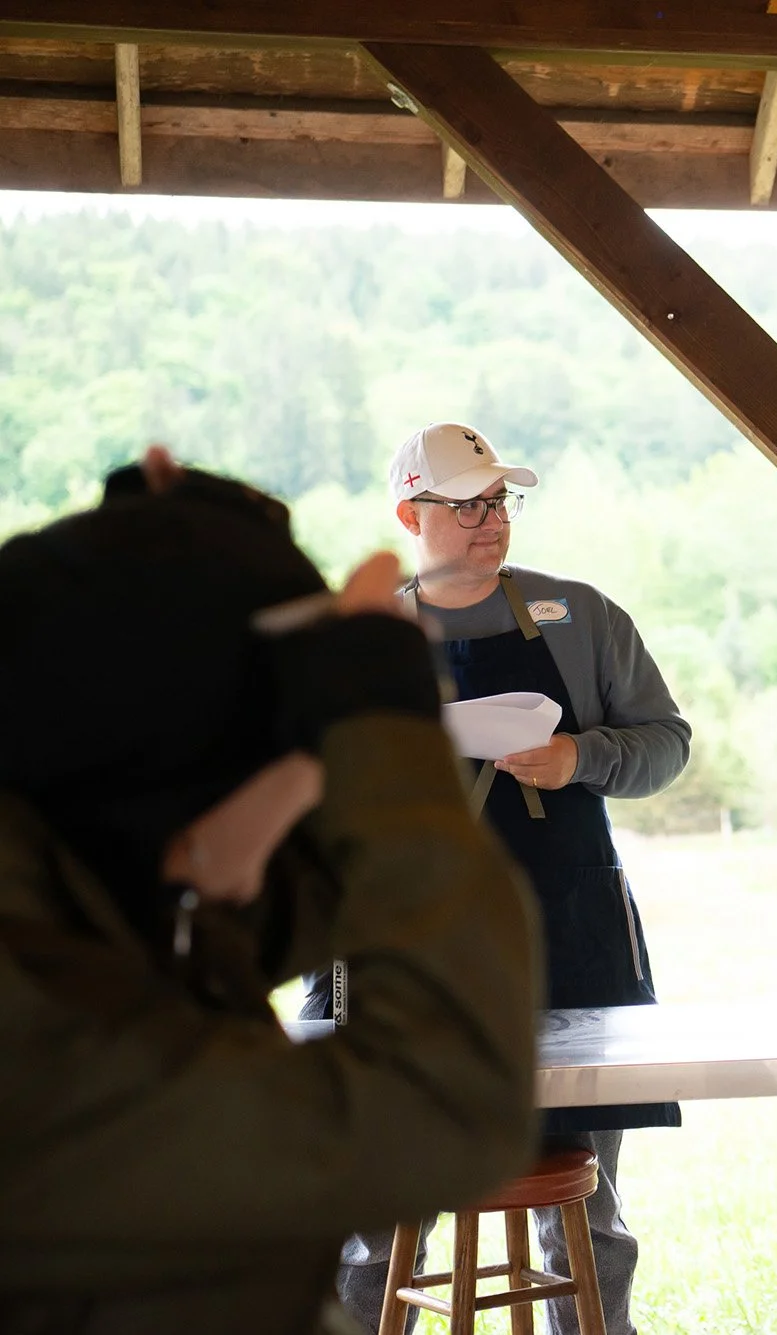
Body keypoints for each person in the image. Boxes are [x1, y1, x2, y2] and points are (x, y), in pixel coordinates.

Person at [0, 450, 540, 1331]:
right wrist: (385, 734)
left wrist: (204, 558)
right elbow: (446, 1103)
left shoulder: (74, 896)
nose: (317, 796)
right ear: (177, 801)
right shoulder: (42, 1060)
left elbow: (260, 904)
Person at [308, 422, 692, 1335]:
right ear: (410, 512)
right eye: (467, 504)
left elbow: (667, 744)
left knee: (589, 1215)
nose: (491, 520)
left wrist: (579, 755)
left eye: (500, 501)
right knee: (373, 1215)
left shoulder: (583, 615)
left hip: (571, 934)